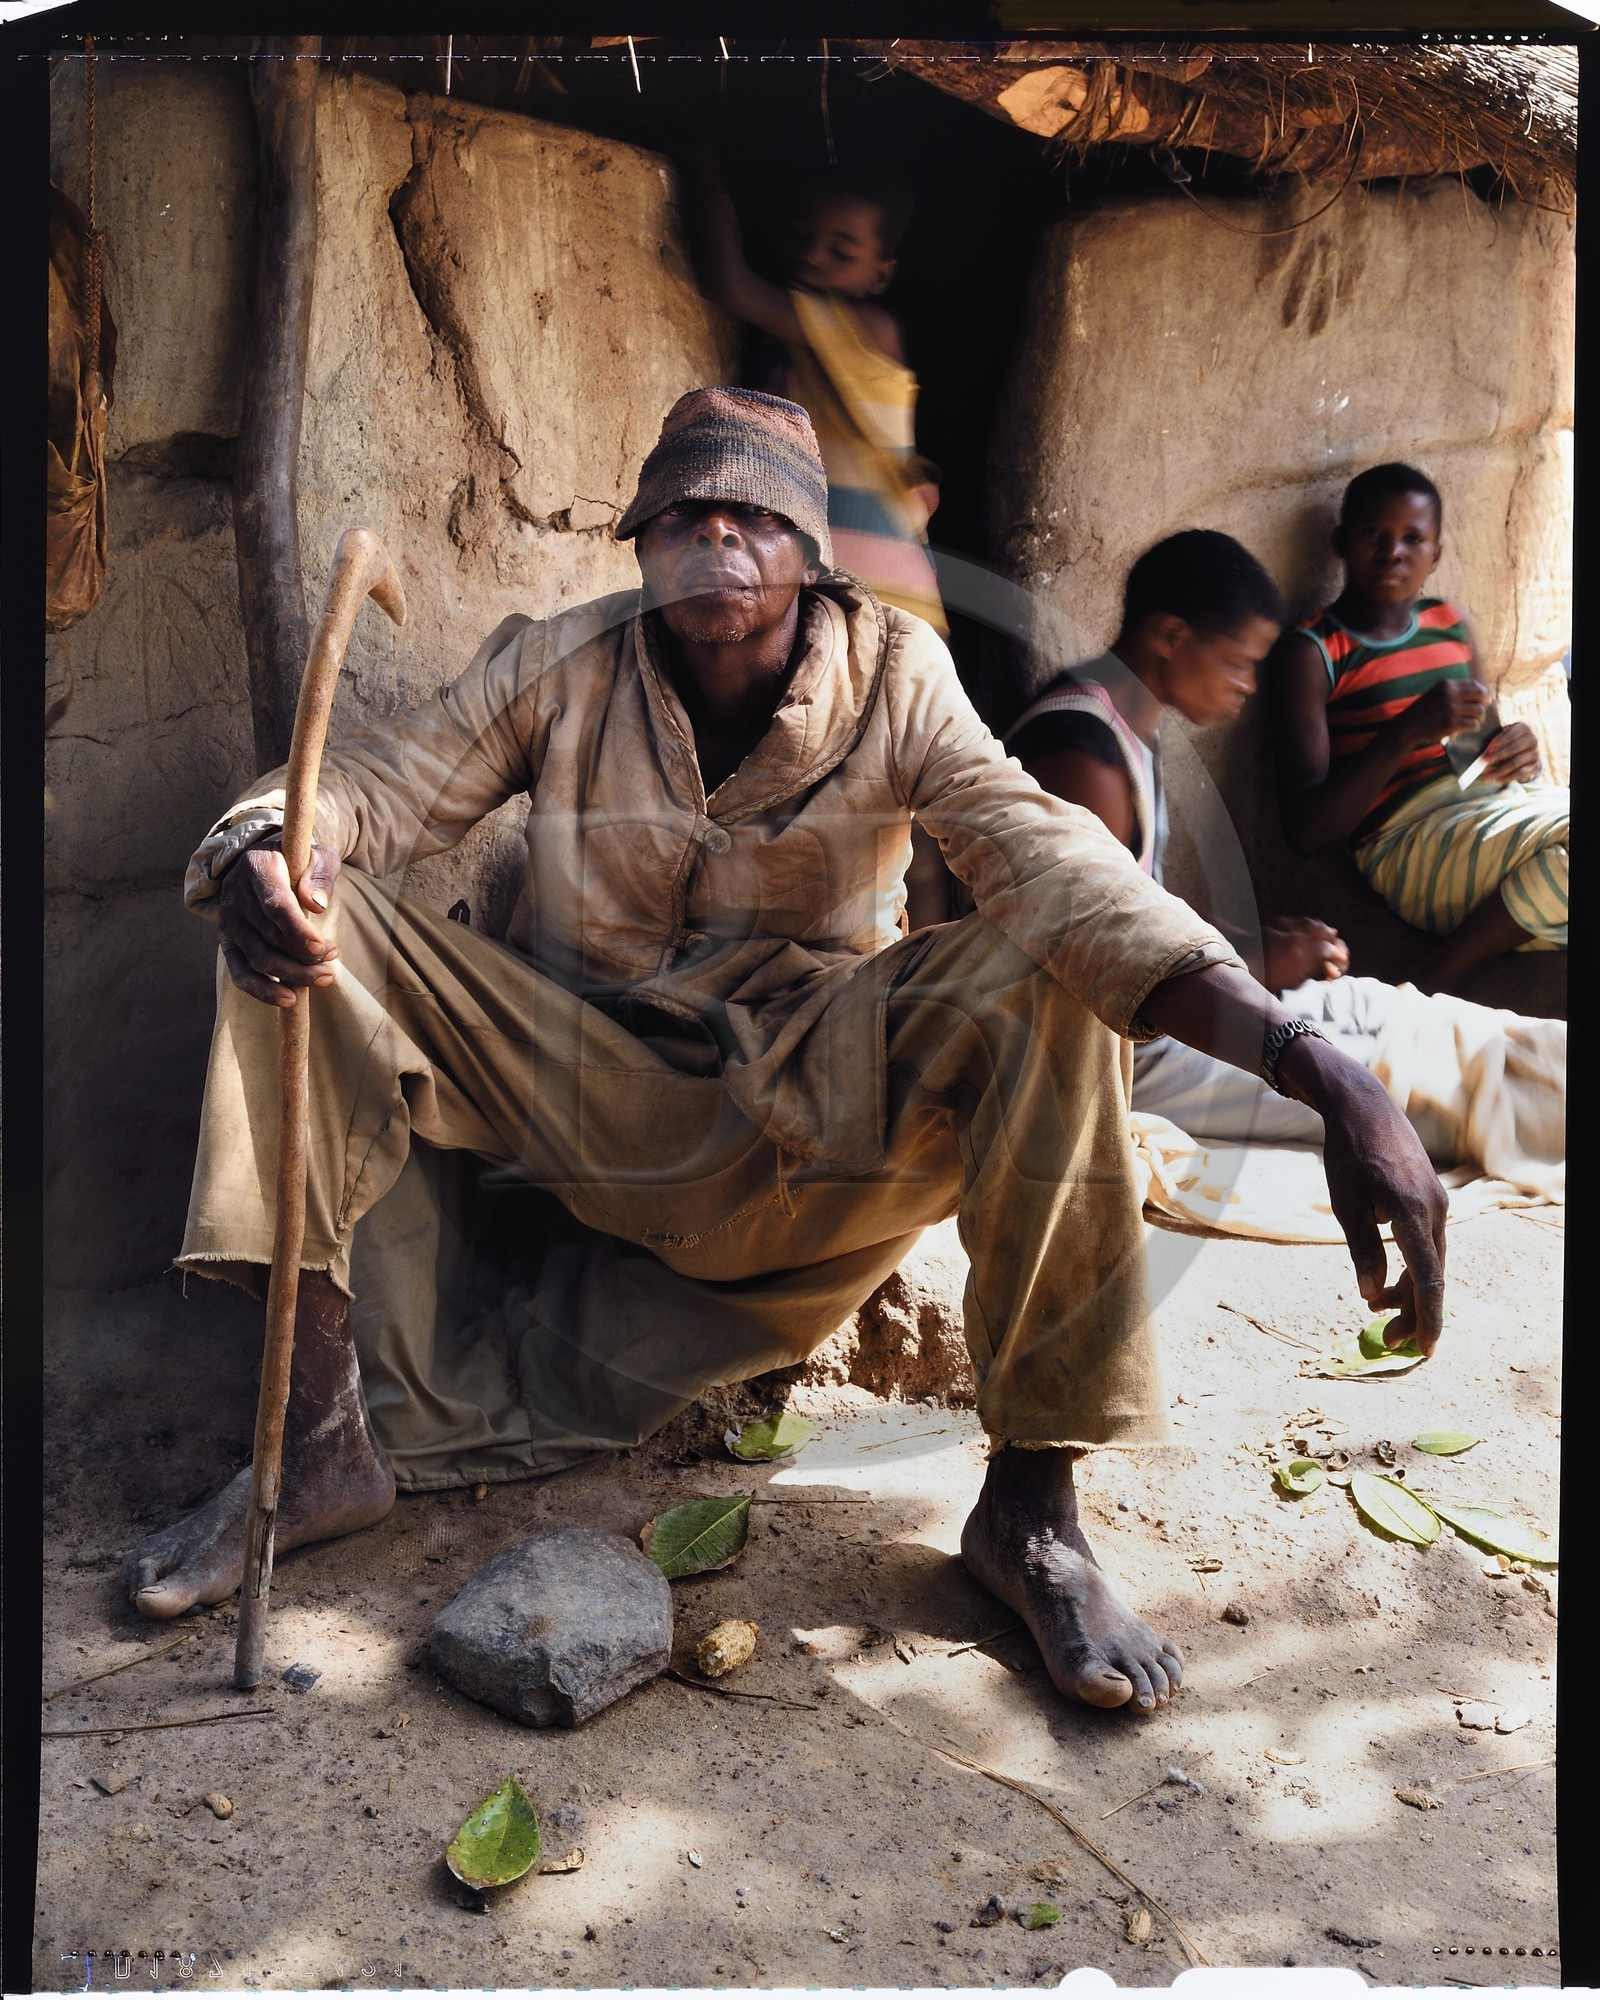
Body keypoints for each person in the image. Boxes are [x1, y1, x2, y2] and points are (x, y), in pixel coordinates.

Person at [123, 391, 1447, 1720]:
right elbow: (373, 783)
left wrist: (1315, 1068)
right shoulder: (562, 666)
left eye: (757, 519)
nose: (722, 546)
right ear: (643, 543)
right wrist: (268, 849)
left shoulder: (898, 676)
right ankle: (317, 1442)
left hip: (811, 1120)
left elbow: (1052, 866)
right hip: (583, 1098)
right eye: (689, 516)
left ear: (810, 553)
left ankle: (1034, 1512)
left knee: (1042, 975)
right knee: (301, 924)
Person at [1008, 529, 1565, 1167]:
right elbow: (1102, 978)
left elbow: (1136, 907)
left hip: (1171, 1018)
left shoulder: (1121, 720)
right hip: (1129, 1059)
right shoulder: (1085, 761)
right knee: (1422, 1088)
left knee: (1402, 1015)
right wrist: (1255, 959)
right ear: (1169, 636)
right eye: (1239, 662)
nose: (1249, 686)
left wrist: (1250, 944)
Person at [1272, 462, 1567, 993]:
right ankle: (1436, 975)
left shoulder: (1450, 624)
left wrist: (1519, 751)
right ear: (1341, 542)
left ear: (1436, 555)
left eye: (1413, 538)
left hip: (1494, 810)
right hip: (1410, 841)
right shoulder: (1314, 652)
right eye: (1373, 535)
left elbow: (1478, 756)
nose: (1393, 552)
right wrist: (1404, 732)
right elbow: (1306, 831)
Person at [679, 151, 946, 634]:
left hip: (883, 597)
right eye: (801, 236)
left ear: (880, 275)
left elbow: (728, 283)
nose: (812, 255)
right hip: (834, 588)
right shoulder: (786, 346)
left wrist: (697, 170)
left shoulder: (868, 330)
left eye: (841, 252)